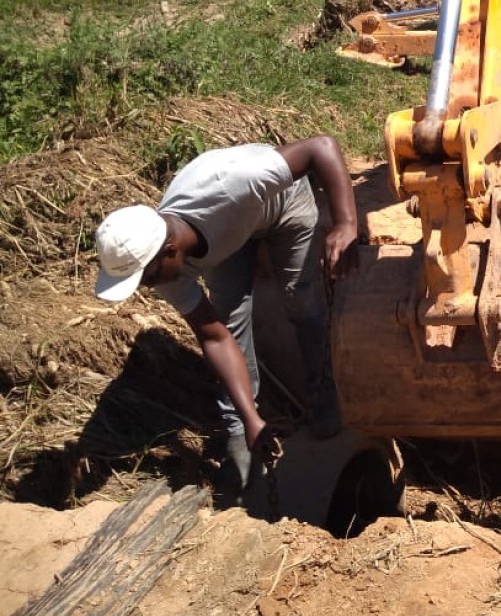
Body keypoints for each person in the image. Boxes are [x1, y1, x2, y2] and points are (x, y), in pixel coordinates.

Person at [93, 136, 359, 494]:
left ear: (171, 251)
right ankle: (238, 438)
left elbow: (321, 147)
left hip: (284, 206)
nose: (146, 288)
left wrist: (345, 223)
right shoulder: (161, 265)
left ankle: (323, 395)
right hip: (230, 237)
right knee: (232, 319)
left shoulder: (235, 183)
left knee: (300, 301)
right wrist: (250, 420)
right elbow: (215, 336)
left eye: (146, 279)